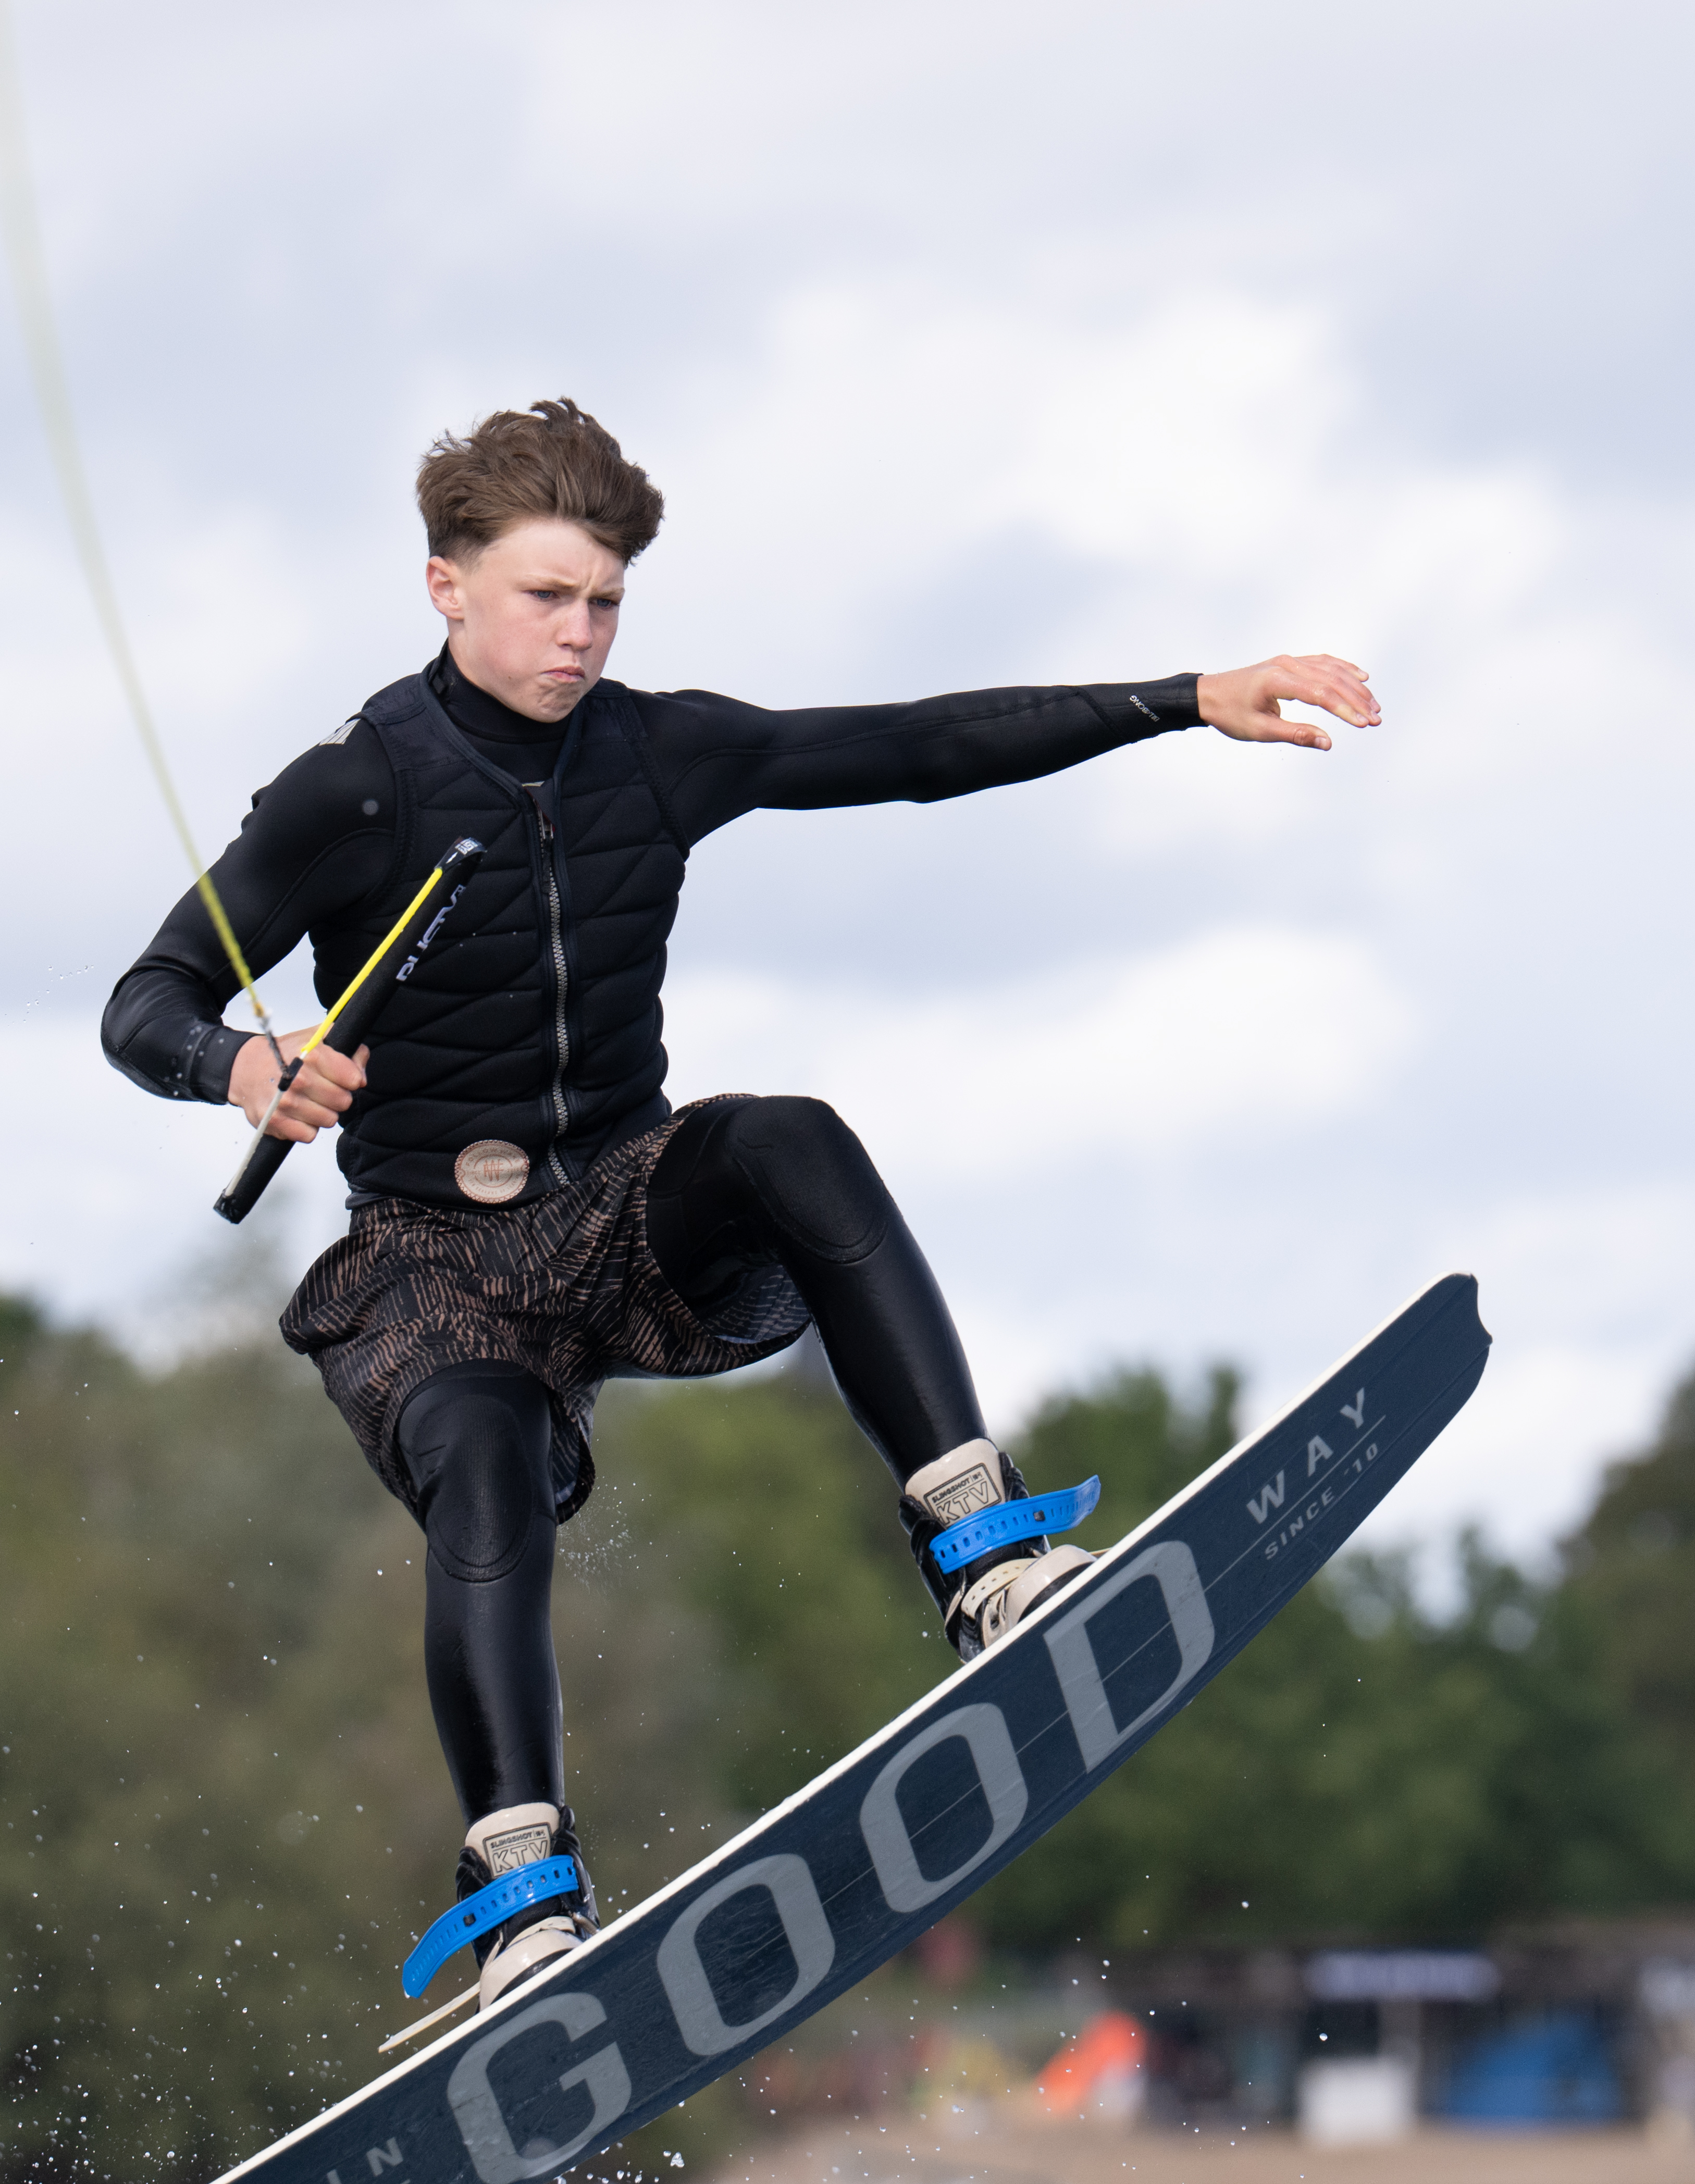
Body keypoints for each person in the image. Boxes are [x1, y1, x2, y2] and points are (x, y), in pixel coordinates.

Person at [101, 400, 1377, 2020]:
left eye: (606, 603)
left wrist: (1187, 700)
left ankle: (983, 1559)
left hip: (622, 1215)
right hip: (428, 1267)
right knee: (483, 1456)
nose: (579, 637)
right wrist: (241, 1066)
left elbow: (910, 750)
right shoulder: (349, 796)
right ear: (446, 587)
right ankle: (523, 1906)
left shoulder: (658, 750)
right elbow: (143, 999)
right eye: (545, 598)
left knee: (791, 1137)